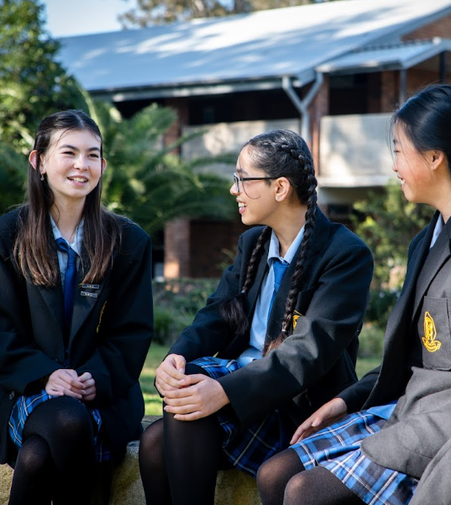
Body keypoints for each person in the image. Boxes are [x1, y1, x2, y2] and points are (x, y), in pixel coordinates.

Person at [256, 84, 451, 505]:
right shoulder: (426, 241)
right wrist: (345, 402)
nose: (394, 165)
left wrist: (449, 492)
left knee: (306, 492)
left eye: (400, 151)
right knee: (275, 473)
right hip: (415, 409)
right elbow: (413, 358)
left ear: (435, 157)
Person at [138, 129, 374, 505]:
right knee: (154, 441)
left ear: (280, 188)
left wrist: (224, 392)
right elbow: (217, 313)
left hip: (295, 409)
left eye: (242, 179)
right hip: (244, 395)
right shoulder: (254, 244)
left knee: (172, 421)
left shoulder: (344, 254)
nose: (234, 190)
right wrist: (175, 356)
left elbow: (307, 353)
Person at [0, 109, 154, 505]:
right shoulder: (6, 237)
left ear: (103, 165)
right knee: (67, 420)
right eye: (69, 152)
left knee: (37, 456)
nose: (81, 165)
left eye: (92, 155)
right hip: (26, 390)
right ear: (38, 161)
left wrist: (93, 378)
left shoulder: (128, 242)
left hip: (103, 394)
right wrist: (46, 376)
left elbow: (133, 331)